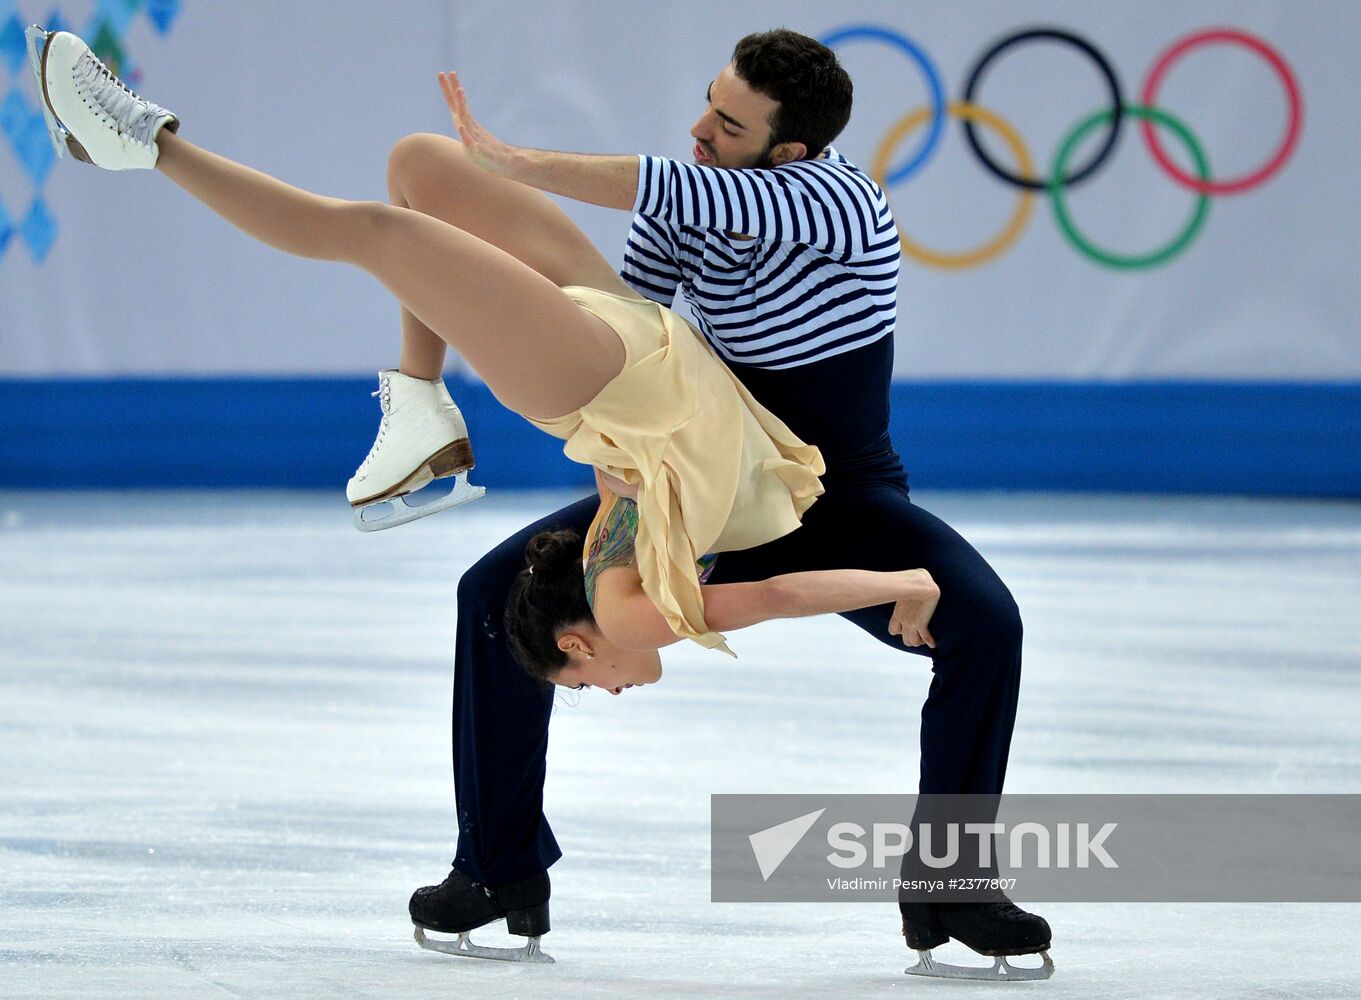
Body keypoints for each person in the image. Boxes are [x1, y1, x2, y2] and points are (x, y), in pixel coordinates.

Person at [30, 23, 1050, 977]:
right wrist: (614, 457)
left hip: (827, 492)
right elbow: (636, 298)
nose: (698, 130)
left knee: (985, 622)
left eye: (727, 126)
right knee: (491, 578)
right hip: (686, 445)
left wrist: (516, 167)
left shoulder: (834, 200)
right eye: (705, 105)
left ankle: (950, 884)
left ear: (786, 150)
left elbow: (669, 200)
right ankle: (498, 862)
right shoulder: (705, 191)